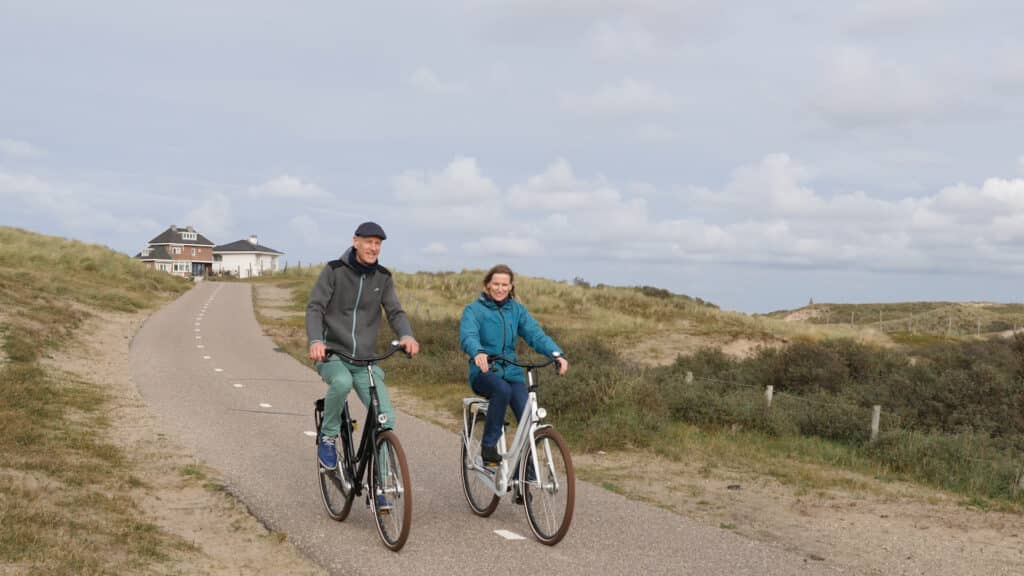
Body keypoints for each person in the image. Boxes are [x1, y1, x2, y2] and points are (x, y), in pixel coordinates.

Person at [306, 221, 420, 471]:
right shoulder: (334, 270)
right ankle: (328, 434)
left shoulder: (383, 277)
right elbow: (315, 307)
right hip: (333, 353)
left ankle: (383, 488)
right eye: (368, 242)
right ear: (355, 241)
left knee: (385, 419)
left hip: (365, 360)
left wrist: (407, 335)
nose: (373, 248)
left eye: (377, 244)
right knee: (342, 382)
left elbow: (395, 312)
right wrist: (316, 341)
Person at [459, 264, 568, 466]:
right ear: (487, 286)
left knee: (528, 416)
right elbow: (468, 336)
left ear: (511, 287)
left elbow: (536, 335)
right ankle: (488, 447)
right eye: (496, 284)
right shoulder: (473, 310)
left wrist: (556, 354)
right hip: (484, 372)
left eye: (505, 285)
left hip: (512, 372)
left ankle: (527, 473)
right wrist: (478, 351)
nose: (500, 289)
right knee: (501, 390)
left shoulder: (517, 310)